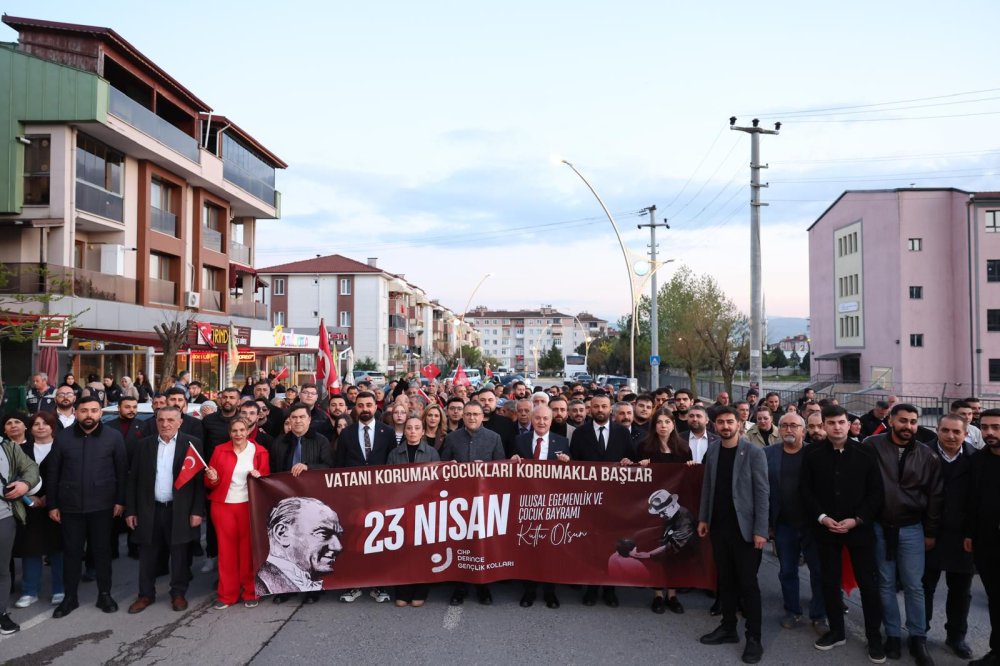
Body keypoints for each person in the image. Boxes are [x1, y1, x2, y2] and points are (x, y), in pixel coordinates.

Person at [800, 404, 885, 662]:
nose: (836, 427)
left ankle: (874, 638)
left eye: (841, 422)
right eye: (831, 423)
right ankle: (837, 632)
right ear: (824, 425)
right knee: (829, 582)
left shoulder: (866, 452)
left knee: (868, 585)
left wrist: (857, 520)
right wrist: (823, 518)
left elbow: (876, 492)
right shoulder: (812, 453)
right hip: (825, 530)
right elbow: (805, 491)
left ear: (849, 424)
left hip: (859, 530)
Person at [867, 404, 943, 664]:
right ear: (890, 420)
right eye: (903, 420)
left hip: (912, 528)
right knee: (885, 583)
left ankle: (917, 638)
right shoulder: (872, 445)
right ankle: (892, 635)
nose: (908, 426)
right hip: (880, 527)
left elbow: (935, 496)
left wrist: (930, 531)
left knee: (914, 585)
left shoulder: (927, 455)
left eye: (912, 421)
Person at [696, 406, 768, 664]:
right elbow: (708, 486)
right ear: (714, 425)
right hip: (719, 527)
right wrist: (703, 518)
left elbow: (762, 493)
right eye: (721, 422)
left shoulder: (754, 453)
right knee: (725, 581)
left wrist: (760, 530)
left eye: (729, 422)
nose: (725, 426)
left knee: (748, 584)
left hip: (745, 530)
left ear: (739, 424)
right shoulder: (714, 450)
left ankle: (754, 638)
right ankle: (728, 628)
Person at [47, 395, 127, 618]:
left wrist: (120, 501)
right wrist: (52, 504)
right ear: (76, 412)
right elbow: (53, 473)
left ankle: (105, 594)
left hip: (103, 506)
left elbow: (122, 471)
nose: (89, 415)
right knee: (72, 553)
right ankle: (70, 597)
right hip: (70, 507)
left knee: (102, 552)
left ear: (100, 413)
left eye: (93, 410)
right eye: (84, 411)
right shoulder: (62, 438)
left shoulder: (113, 437)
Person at [125, 406, 206, 614]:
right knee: (147, 556)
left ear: (180, 422)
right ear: (156, 422)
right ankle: (145, 594)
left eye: (170, 420)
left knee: (179, 555)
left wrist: (197, 511)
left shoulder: (192, 444)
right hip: (149, 509)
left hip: (179, 510)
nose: (165, 424)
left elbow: (199, 482)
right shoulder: (144, 445)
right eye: (161, 420)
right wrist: (131, 510)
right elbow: (133, 479)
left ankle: (178, 593)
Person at [570, 393, 635, 608]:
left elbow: (631, 459)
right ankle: (591, 587)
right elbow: (574, 465)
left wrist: (629, 462)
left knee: (612, 544)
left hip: (615, 499)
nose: (600, 410)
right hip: (588, 498)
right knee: (590, 545)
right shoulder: (580, 433)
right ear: (590, 409)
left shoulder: (622, 433)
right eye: (596, 407)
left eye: (604, 406)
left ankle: (610, 589)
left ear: (610, 409)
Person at [764, 412, 826, 633]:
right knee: (787, 571)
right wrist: (767, 524)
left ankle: (819, 615)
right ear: (779, 429)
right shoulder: (767, 454)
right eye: (784, 426)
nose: (788, 429)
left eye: (794, 425)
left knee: (819, 572)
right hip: (783, 525)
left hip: (813, 526)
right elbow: (763, 491)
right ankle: (792, 610)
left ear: (803, 430)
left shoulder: (815, 454)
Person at [440, 400, 505, 606]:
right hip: (458, 502)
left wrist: (486, 468)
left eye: (476, 414)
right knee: (460, 545)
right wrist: (449, 466)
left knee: (483, 544)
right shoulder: (452, 438)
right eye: (468, 414)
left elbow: (502, 470)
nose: (472, 417)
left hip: (485, 501)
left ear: (482, 416)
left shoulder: (494, 438)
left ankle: (483, 587)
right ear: (463, 416)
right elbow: (442, 467)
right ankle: (460, 587)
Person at [267, 403, 334, 604]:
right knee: (287, 546)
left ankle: (313, 589)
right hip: (286, 502)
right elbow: (273, 471)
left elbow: (329, 467)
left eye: (301, 417)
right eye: (294, 417)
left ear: (309, 419)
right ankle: (286, 588)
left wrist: (308, 467)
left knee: (311, 546)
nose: (297, 421)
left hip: (313, 502)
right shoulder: (279, 442)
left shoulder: (321, 441)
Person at [921, 414, 974, 659]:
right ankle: (920, 634)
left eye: (956, 432)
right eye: (945, 431)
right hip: (927, 532)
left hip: (963, 537)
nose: (950, 436)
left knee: (961, 591)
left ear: (966, 434)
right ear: (937, 430)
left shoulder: (975, 458)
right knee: (924, 587)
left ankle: (956, 637)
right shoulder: (921, 453)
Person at [204, 418, 270, 609]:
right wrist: (212, 478)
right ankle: (227, 595)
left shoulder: (260, 451)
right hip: (223, 505)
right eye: (234, 431)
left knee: (248, 551)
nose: (238, 434)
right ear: (229, 433)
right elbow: (210, 482)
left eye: (242, 430)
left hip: (248, 505)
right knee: (226, 551)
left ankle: (250, 591)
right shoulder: (220, 450)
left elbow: (266, 478)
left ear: (248, 431)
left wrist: (259, 476)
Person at [632, 408, 693, 613]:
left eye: (667, 421)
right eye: (659, 422)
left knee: (676, 553)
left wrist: (691, 467)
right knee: (655, 545)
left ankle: (672, 594)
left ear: (673, 424)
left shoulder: (683, 448)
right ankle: (658, 594)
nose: (663, 425)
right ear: (654, 425)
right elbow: (635, 477)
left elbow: (687, 478)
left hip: (678, 507)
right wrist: (640, 466)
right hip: (651, 509)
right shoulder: (645, 447)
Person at [511, 405, 570, 609]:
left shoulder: (562, 442)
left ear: (551, 421)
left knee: (551, 547)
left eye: (545, 418)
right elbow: (508, 470)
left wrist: (567, 462)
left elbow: (573, 474)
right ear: (531, 419)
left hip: (552, 504)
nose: (541, 422)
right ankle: (529, 591)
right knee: (529, 547)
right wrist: (512, 461)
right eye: (538, 418)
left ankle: (550, 592)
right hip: (527, 503)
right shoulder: (520, 440)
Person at [13, 411, 64, 610]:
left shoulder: (63, 448)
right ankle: (29, 592)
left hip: (57, 506)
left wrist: (50, 497)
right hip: (29, 507)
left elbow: (69, 475)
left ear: (53, 427)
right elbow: (13, 477)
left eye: (45, 423)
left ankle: (59, 589)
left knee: (58, 549)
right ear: (30, 428)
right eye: (36, 424)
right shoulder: (20, 450)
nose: (41, 427)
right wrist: (28, 498)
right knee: (31, 549)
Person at [386, 416, 439, 607]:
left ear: (423, 431)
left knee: (422, 551)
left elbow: (438, 481)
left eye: (417, 428)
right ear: (404, 431)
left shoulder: (432, 453)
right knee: (402, 551)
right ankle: (403, 591)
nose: (413, 431)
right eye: (409, 428)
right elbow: (387, 482)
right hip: (402, 508)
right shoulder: (394, 454)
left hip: (425, 508)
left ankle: (420, 591)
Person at [965, 408, 1000, 666]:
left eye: (996, 427)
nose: (989, 432)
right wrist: (969, 533)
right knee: (995, 599)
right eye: (985, 427)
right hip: (986, 542)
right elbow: (972, 500)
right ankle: (996, 651)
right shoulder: (977, 460)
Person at [0, 422, 41, 634]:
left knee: (1, 570)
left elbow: (31, 468)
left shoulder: (7, 446)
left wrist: (25, 484)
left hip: (3, 517)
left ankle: (1, 614)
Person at [255, 497, 342, 596]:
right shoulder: (262, 585)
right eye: (323, 533)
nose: (338, 547)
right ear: (282, 533)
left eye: (338, 535)